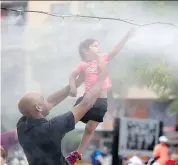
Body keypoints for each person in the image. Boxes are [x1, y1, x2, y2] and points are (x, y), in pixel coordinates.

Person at [17, 64, 108, 165]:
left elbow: (52, 100)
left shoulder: (22, 125)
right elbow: (86, 103)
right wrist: (100, 79)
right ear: (39, 108)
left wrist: (77, 82)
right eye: (42, 99)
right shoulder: (51, 129)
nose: (46, 100)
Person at [68, 28, 135, 164]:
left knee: (90, 128)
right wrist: (73, 87)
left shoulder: (103, 58)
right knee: (69, 121)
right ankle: (53, 138)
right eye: (95, 46)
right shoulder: (83, 64)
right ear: (86, 50)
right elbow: (72, 76)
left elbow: (116, 50)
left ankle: (77, 154)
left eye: (99, 45)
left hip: (101, 101)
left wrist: (127, 36)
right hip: (86, 100)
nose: (99, 48)